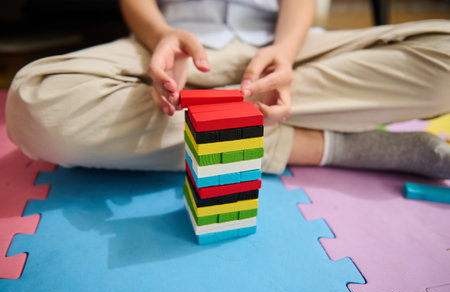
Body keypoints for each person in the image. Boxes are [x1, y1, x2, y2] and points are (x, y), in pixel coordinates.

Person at [5, 0, 450, 179]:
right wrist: (162, 34)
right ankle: (320, 145)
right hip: (172, 46)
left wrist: (286, 53)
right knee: (34, 103)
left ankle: (225, 116)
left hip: (287, 48)